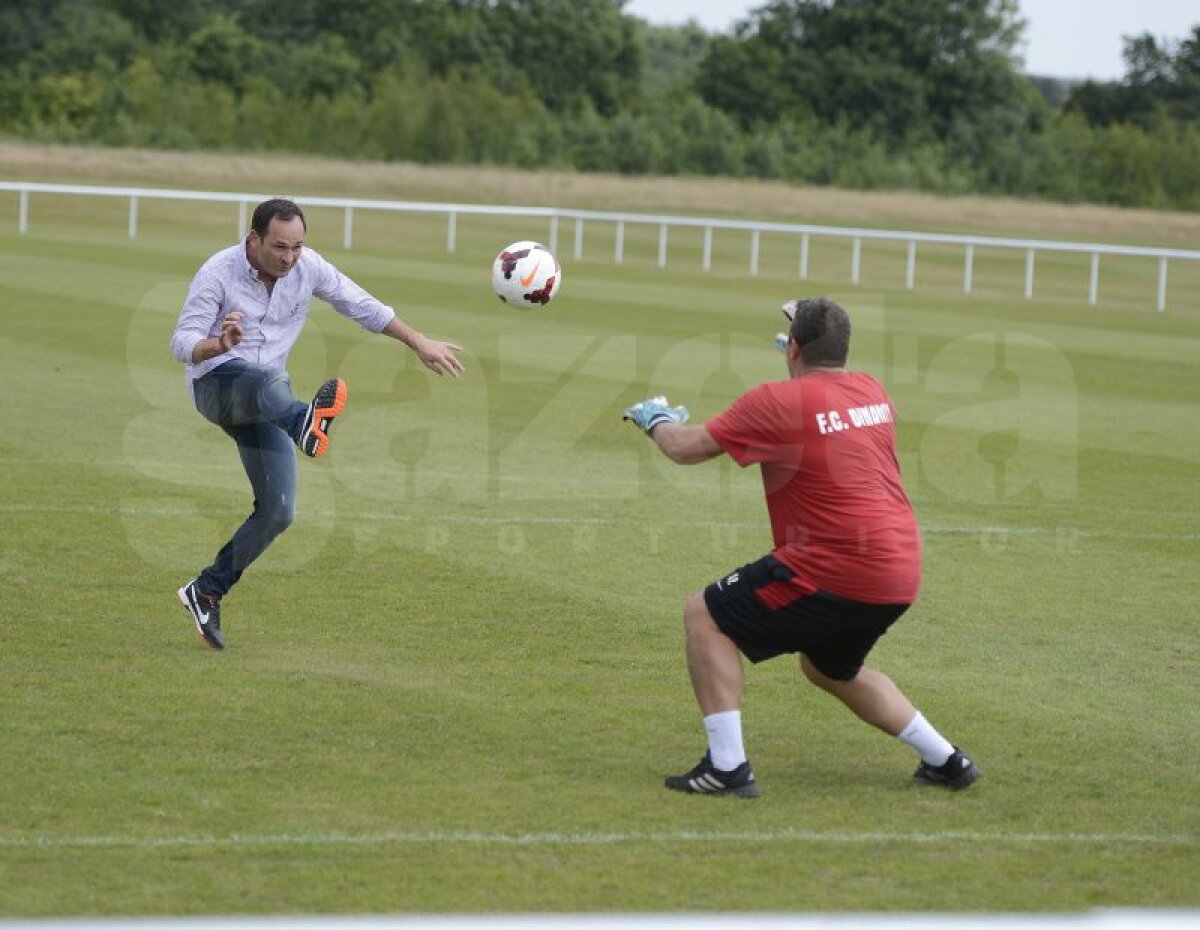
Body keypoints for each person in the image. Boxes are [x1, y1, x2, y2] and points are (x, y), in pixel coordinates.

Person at [621, 297, 979, 797]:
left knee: (705, 615)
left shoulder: (775, 402)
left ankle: (727, 768)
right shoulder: (872, 390)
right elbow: (823, 406)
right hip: (900, 569)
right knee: (829, 668)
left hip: (836, 564)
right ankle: (947, 760)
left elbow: (685, 447)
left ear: (792, 349)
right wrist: (800, 366)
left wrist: (655, 419)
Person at [169, 197, 464, 650]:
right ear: (254, 239)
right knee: (270, 377)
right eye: (279, 247)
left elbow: (360, 304)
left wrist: (417, 341)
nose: (289, 258)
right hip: (219, 388)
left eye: (297, 248)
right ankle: (305, 421)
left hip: (271, 403)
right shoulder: (218, 272)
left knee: (279, 511)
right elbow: (181, 342)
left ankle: (206, 590)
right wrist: (218, 343)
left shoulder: (308, 268)